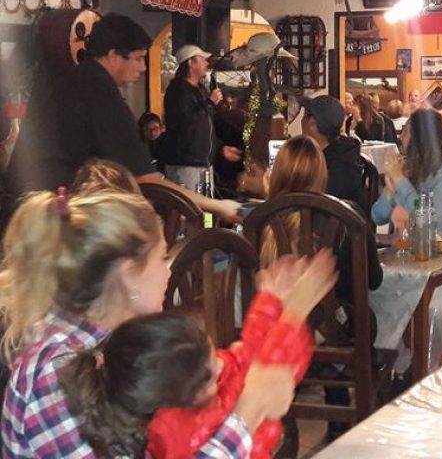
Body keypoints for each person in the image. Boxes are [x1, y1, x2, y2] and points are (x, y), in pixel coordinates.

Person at [0, 188, 315, 457]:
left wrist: (279, 315)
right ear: (129, 275)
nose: (168, 270)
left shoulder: (118, 346)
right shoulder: (56, 374)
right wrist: (249, 412)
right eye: (162, 257)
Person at [58, 251, 336, 459]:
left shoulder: (182, 381)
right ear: (179, 402)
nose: (220, 365)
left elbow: (246, 362)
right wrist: (294, 315)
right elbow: (264, 378)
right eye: (210, 374)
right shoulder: (180, 436)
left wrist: (271, 304)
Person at [5, 14, 240, 222]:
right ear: (114, 56)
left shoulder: (66, 80)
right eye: (138, 58)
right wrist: (217, 206)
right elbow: (146, 179)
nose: (143, 68)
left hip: (24, 208)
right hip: (54, 216)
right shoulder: (101, 93)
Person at [259, 134, 383, 298]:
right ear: (322, 174)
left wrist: (269, 200)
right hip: (340, 314)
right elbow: (374, 280)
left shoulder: (260, 222)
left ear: (276, 175)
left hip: (276, 314)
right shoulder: (348, 215)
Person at [371, 108, 442, 239]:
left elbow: (428, 220)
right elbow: (377, 217)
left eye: (407, 132)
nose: (401, 138)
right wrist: (389, 192)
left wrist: (400, 181)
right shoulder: (408, 170)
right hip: (410, 246)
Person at [162, 45, 242, 192]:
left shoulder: (200, 90)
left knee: (204, 206)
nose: (207, 63)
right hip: (186, 165)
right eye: (202, 59)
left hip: (203, 164)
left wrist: (220, 148)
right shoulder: (177, 91)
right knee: (190, 204)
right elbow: (186, 124)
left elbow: (205, 127)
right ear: (190, 62)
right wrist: (210, 103)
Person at [301, 95, 365, 208]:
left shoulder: (331, 167)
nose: (302, 121)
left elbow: (312, 206)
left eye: (304, 116)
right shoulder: (345, 152)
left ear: (312, 124)